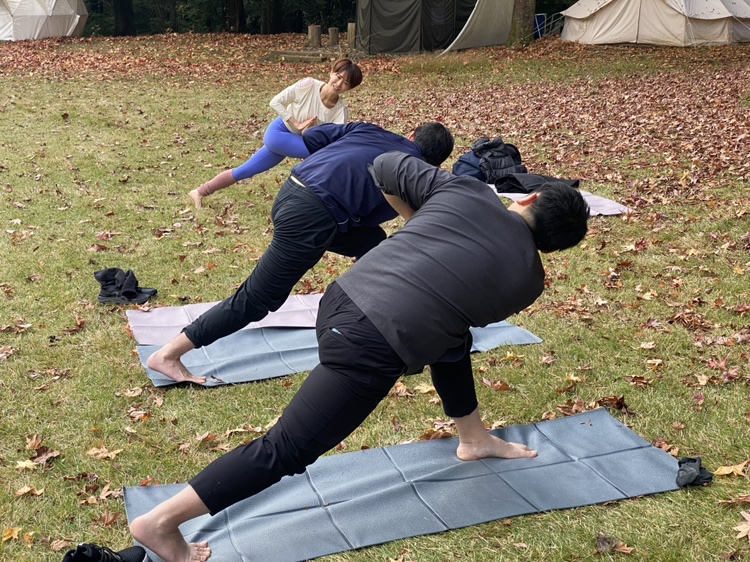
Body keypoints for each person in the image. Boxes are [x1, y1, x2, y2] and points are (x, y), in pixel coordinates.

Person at [129, 151, 590, 562]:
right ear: (550, 247)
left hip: (342, 300)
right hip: (368, 343)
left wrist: (418, 217)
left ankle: (473, 439)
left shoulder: (467, 192)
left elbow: (386, 164)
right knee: (287, 449)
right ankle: (162, 522)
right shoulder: (530, 283)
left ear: (527, 200)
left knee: (453, 342)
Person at [148, 121, 455, 385]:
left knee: (374, 242)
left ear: (412, 135)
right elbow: (395, 218)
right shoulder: (412, 174)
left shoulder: (367, 130)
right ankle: (168, 354)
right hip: (312, 217)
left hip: (291, 192)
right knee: (257, 299)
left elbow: (312, 138)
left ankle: (370, 318)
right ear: (436, 164)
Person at [189, 58, 363, 209]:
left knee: (246, 170)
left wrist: (311, 132)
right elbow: (276, 101)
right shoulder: (308, 85)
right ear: (331, 72)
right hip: (279, 132)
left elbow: (333, 141)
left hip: (298, 141)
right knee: (322, 156)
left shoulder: (341, 112)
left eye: (346, 83)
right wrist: (297, 123)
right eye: (338, 77)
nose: (339, 84)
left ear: (350, 88)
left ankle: (199, 191)